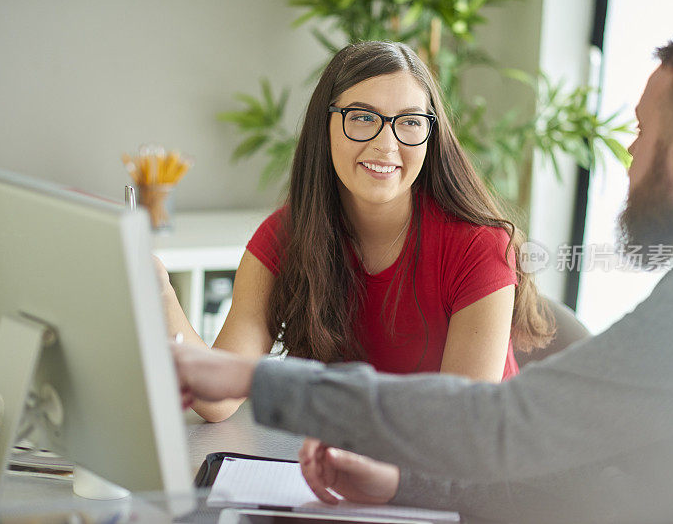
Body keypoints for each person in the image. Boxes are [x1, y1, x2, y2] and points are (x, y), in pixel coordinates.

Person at [171, 29, 673, 523]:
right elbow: (611, 485)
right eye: (362, 118)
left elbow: (492, 424)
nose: (628, 153)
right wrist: (398, 484)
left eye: (641, 133)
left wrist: (256, 379)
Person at [159, 41, 553, 422]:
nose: (387, 143)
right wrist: (160, 293)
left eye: (411, 122)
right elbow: (218, 399)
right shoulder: (287, 235)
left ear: (430, 136)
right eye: (363, 117)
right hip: (353, 461)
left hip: (468, 474)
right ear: (325, 124)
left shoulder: (478, 247)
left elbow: (453, 426)